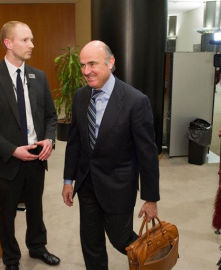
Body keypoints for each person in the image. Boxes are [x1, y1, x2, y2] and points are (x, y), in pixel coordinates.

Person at [62, 40, 160, 270]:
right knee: (91, 241)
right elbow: (74, 143)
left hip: (118, 185)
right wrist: (68, 180)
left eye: (92, 64)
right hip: (86, 184)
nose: (86, 71)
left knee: (120, 238)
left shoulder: (136, 101)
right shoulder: (80, 97)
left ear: (111, 62)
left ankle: (154, 261)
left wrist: (151, 198)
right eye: (83, 65)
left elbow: (147, 154)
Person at [0, 21, 60, 270]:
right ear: (8, 43)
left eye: (31, 39)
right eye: (25, 40)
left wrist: (49, 140)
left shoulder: (38, 76)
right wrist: (12, 150)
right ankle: (11, 259)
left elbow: (51, 117)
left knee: (36, 207)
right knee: (7, 213)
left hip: (36, 155)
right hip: (7, 159)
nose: (31, 45)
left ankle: (37, 247)